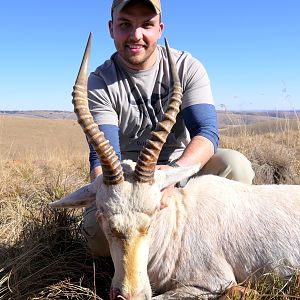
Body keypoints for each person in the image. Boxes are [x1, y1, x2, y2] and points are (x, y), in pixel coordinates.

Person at [82, 0, 255, 256]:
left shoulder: (186, 66)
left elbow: (206, 132)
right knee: (97, 236)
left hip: (179, 168)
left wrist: (174, 173)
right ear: (111, 28)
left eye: (147, 25)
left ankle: (226, 252)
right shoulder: (99, 82)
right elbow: (103, 155)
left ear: (159, 29)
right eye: (125, 24)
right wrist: (119, 196)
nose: (136, 35)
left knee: (235, 166)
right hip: (127, 181)